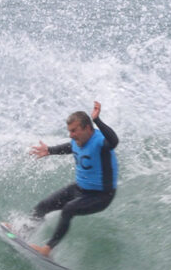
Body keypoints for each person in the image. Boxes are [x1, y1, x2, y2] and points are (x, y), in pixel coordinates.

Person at [24, 101, 119, 257]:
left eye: (74, 130)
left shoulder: (100, 141)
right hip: (79, 189)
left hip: (101, 196)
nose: (71, 135)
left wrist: (97, 120)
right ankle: (22, 233)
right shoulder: (77, 141)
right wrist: (49, 150)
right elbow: (69, 147)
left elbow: (114, 141)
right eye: (70, 131)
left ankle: (47, 250)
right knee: (43, 205)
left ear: (87, 128)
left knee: (69, 209)